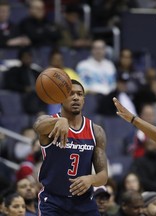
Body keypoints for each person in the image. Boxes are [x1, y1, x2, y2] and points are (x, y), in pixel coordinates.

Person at [33, 79, 108, 215]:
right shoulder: (50, 124)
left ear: (84, 100)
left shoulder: (96, 131)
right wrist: (59, 121)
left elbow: (103, 175)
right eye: (71, 94)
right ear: (61, 99)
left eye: (79, 94)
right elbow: (38, 126)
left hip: (84, 202)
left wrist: (91, 179)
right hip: (53, 201)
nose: (75, 98)